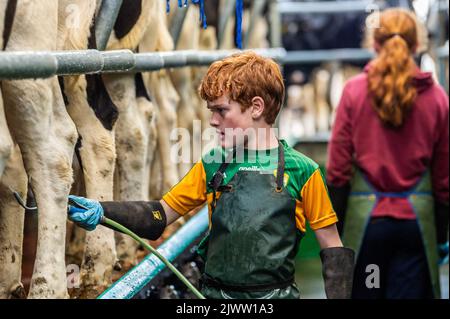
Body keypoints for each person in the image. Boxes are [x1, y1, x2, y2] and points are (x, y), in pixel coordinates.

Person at [68, 51, 354, 299]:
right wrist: (102, 211)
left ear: (256, 107)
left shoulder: (303, 171)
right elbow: (158, 217)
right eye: (211, 111)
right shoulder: (213, 165)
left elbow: (333, 250)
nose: (213, 120)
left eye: (221, 110)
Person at [326, 8, 449, 299]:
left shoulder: (354, 92)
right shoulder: (437, 98)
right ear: (417, 45)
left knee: (369, 292)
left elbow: (337, 170)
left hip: (367, 228)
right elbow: (444, 180)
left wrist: (337, 231)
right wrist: (441, 237)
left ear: (374, 44)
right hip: (415, 231)